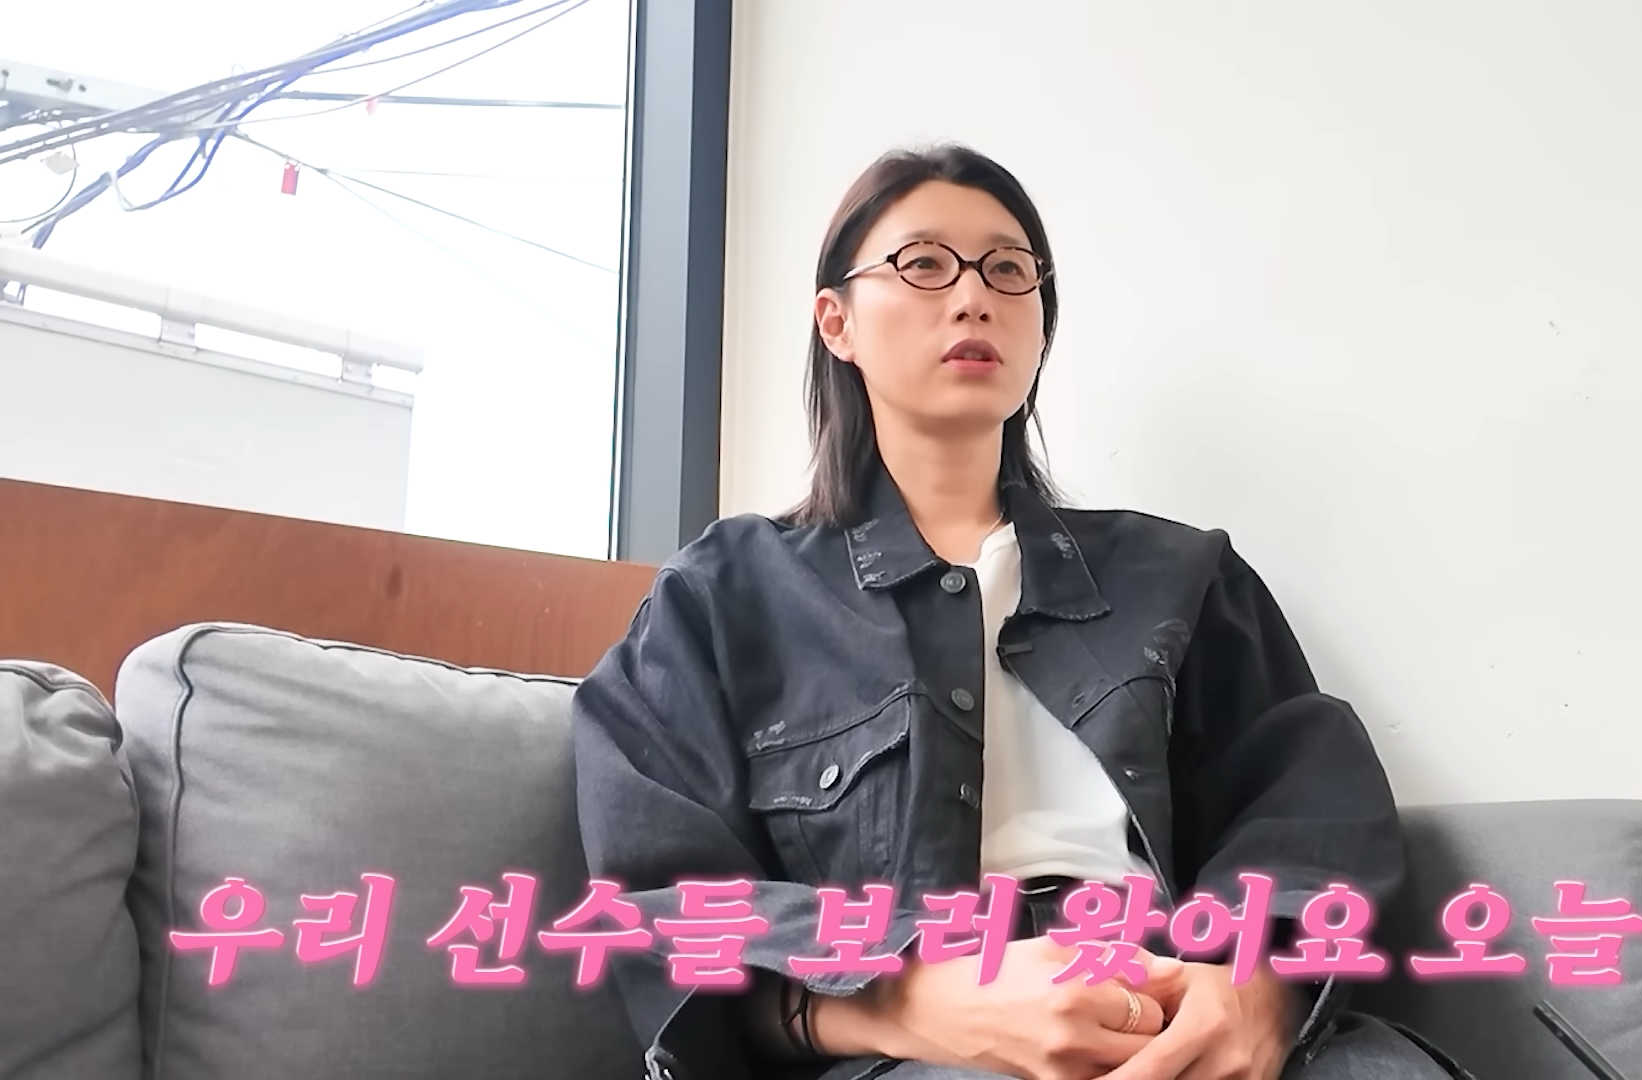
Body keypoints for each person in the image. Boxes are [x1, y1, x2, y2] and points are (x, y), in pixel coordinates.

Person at [572, 143, 1471, 1080]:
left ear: (1041, 326)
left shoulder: (1179, 575)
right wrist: (914, 1002)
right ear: (836, 322)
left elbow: (1305, 800)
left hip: (1175, 1008)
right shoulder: (725, 595)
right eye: (923, 263)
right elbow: (660, 898)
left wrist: (1261, 994)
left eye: (1008, 271)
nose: (973, 297)